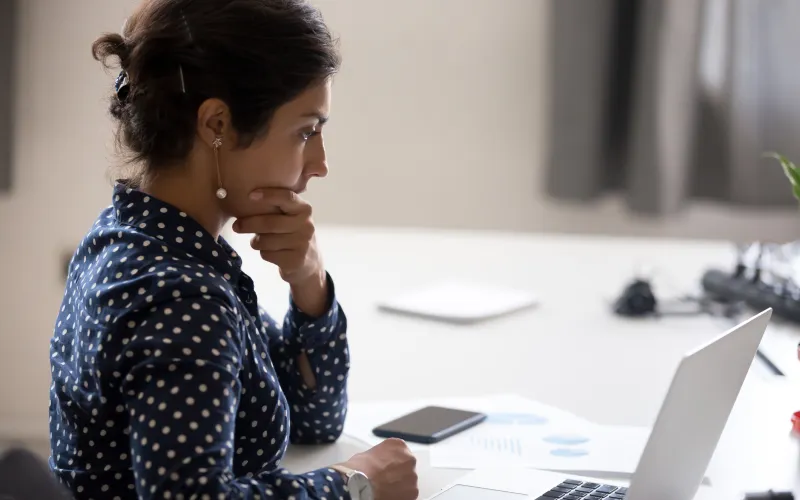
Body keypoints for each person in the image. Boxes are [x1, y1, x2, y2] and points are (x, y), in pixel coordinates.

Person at [47, 1, 418, 498]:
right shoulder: (182, 298)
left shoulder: (134, 234)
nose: (320, 163)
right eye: (305, 131)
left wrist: (309, 281)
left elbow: (313, 419)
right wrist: (353, 484)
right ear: (217, 124)